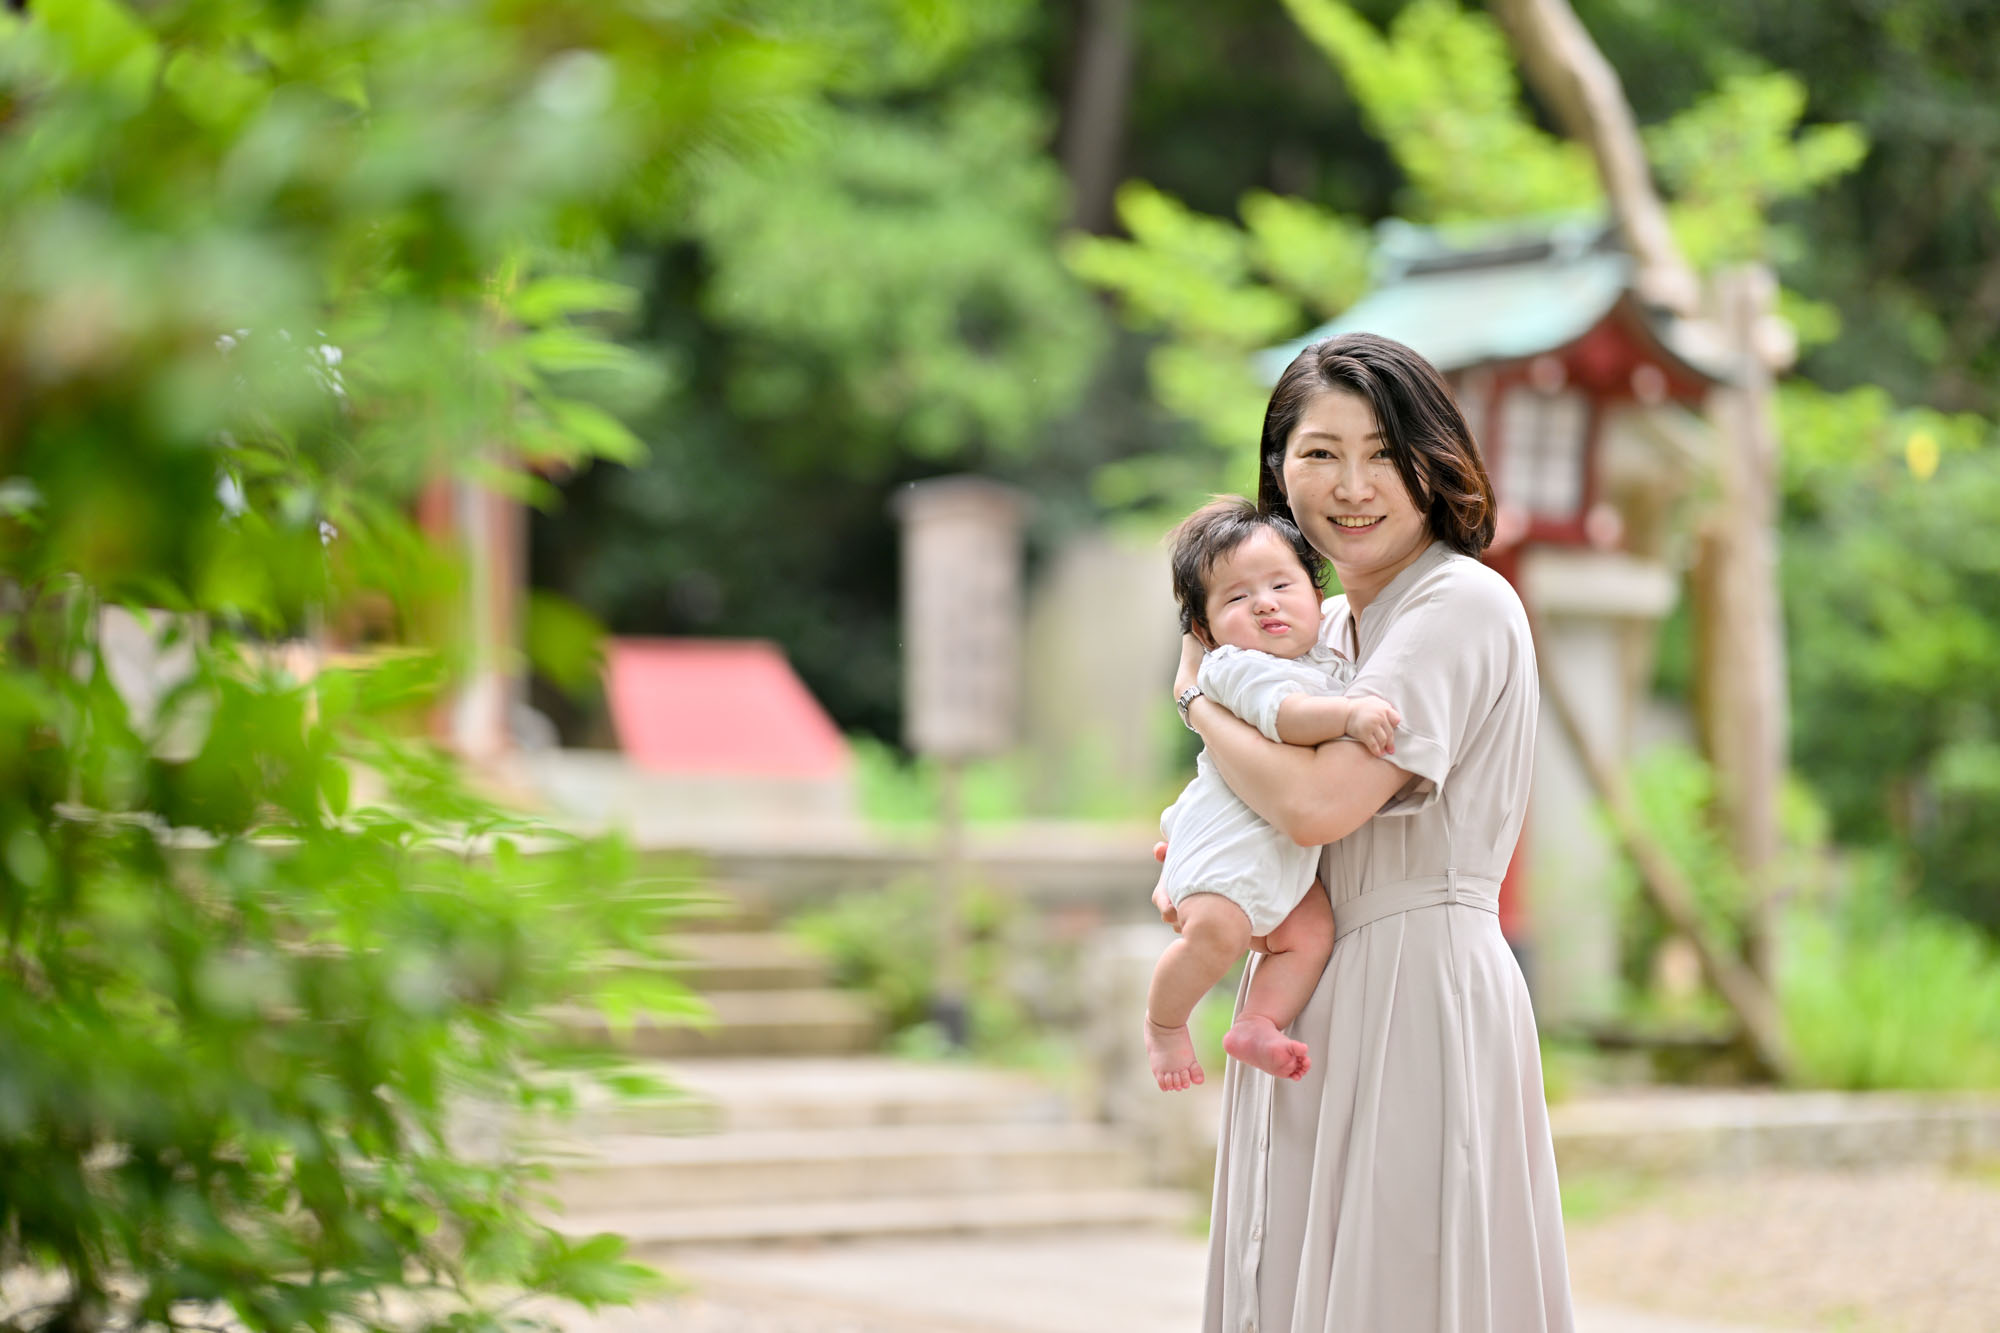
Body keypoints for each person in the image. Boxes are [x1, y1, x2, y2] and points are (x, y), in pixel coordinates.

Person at [1161, 332, 1575, 1331]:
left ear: (1433, 459)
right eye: (1319, 453)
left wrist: (1197, 700)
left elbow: (1314, 806)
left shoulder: (1459, 602)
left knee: (1401, 1279)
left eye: (1382, 451)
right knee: (1299, 1275)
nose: (1352, 485)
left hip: (1417, 981)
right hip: (1308, 992)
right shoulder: (1324, 630)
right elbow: (1259, 810)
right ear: (1278, 472)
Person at [1144, 497, 1401, 1093]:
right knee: (1218, 932)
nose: (1264, 602)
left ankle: (1258, 1021)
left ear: (1317, 594)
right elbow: (1287, 718)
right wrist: (1349, 715)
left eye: (1282, 585)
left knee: (1310, 934)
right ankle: (1164, 1023)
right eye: (1237, 597)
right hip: (1229, 848)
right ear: (1205, 632)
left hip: (1283, 859)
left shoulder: (1328, 663)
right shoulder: (1235, 668)